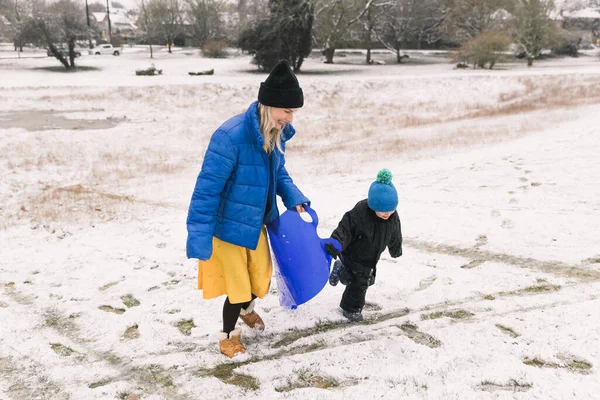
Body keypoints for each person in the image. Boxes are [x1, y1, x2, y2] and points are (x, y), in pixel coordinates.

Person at [186, 60, 309, 358]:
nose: (290, 119)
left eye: (293, 113)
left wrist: (293, 196)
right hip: (227, 230)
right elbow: (206, 190)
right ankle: (228, 336)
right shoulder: (230, 137)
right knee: (238, 287)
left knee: (259, 279)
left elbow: (278, 174)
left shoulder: (275, 135)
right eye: (287, 112)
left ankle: (247, 309)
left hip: (256, 225)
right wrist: (198, 235)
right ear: (270, 105)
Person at [326, 169, 403, 322]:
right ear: (373, 205)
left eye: (390, 210)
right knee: (359, 282)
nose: (387, 214)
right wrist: (335, 243)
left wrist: (395, 249)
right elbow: (344, 229)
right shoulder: (359, 214)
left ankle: (341, 270)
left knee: (364, 279)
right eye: (382, 211)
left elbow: (395, 233)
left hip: (371, 257)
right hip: (352, 252)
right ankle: (351, 309)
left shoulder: (393, 217)